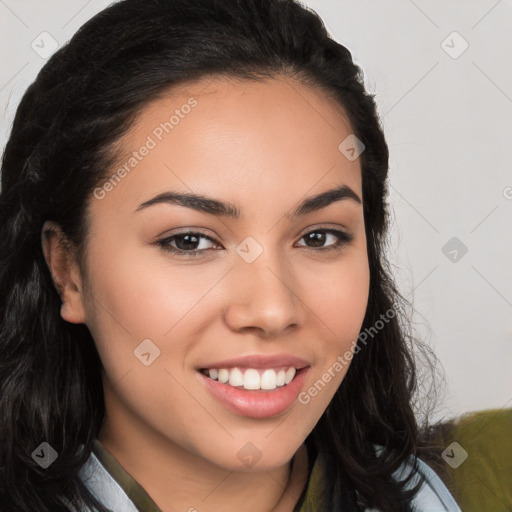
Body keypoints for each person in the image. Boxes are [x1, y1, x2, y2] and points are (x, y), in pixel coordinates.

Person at [0, 0, 461, 510]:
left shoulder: (487, 477)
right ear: (67, 270)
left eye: (319, 236)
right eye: (190, 241)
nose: (272, 310)